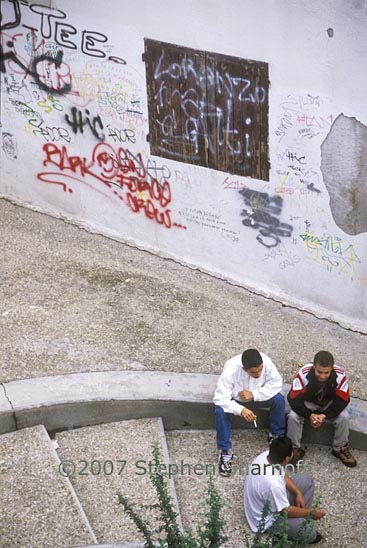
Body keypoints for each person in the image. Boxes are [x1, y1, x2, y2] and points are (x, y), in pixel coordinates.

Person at [213, 348, 286, 477]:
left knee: (279, 400)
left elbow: (276, 384)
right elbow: (220, 398)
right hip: (237, 400)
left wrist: (254, 394)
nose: (258, 374)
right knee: (220, 411)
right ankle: (225, 450)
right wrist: (241, 410)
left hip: (259, 395)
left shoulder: (266, 362)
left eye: (260, 370)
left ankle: (276, 436)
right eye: (254, 372)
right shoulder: (231, 370)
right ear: (244, 369)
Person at [244, 436, 325, 543]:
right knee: (310, 535)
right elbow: (285, 510)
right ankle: (293, 529)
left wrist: (298, 493)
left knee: (307, 481)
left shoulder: (267, 456)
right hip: (265, 520)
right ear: (287, 458)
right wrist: (311, 512)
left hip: (263, 501)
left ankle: (300, 520)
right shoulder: (274, 485)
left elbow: (282, 475)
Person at [287, 350, 357, 467]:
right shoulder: (303, 373)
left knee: (344, 417)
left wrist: (325, 415)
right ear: (313, 366)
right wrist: (309, 414)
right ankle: (294, 448)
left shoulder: (340, 375)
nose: (323, 376)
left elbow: (344, 400)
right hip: (309, 403)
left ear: (332, 368)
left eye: (327, 373)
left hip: (328, 404)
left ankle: (340, 448)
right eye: (319, 372)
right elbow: (293, 398)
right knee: (293, 416)